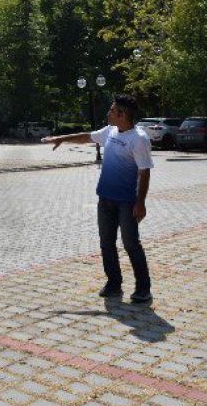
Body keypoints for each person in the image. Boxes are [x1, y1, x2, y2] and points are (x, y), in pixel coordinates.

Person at [42, 94, 154, 305]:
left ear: (122, 114)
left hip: (127, 201)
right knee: (106, 242)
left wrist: (140, 203)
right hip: (105, 198)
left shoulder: (138, 139)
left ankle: (143, 288)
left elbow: (144, 172)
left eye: (112, 110)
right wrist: (62, 138)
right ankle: (114, 283)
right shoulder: (110, 131)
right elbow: (87, 137)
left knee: (131, 243)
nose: (108, 113)